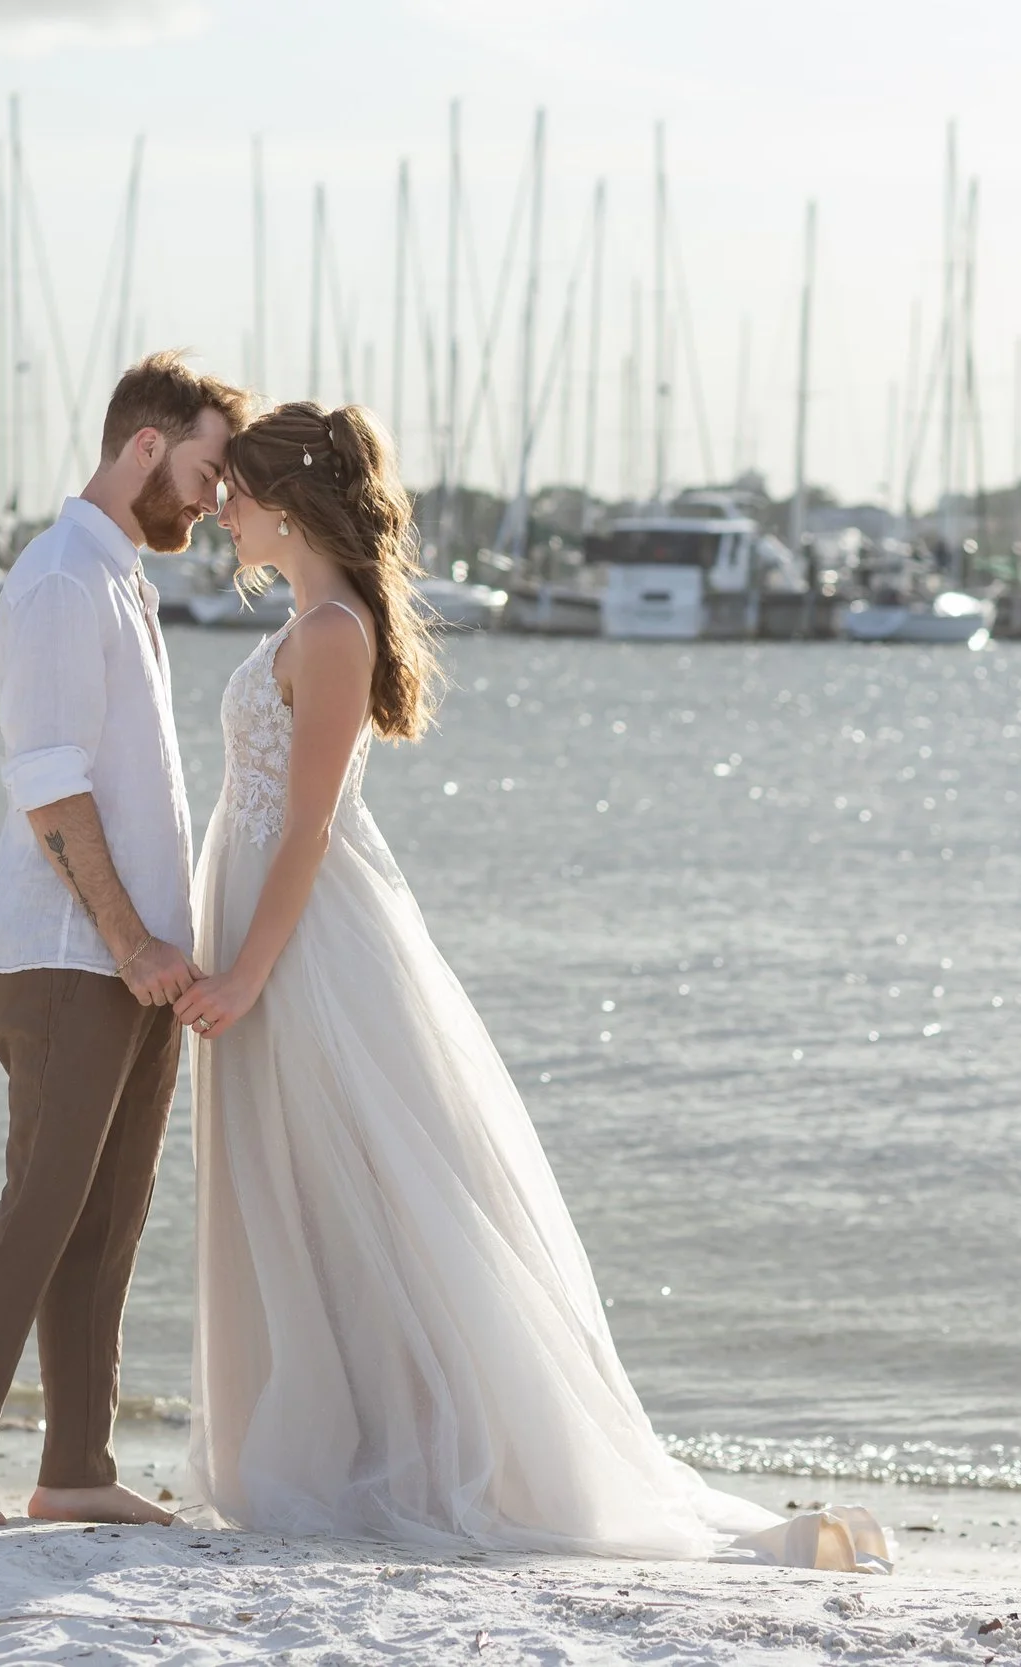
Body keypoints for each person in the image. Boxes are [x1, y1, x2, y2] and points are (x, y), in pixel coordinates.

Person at [172, 400, 887, 1571]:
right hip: (274, 935)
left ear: (288, 505)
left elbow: (305, 826)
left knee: (380, 1190)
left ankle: (420, 1451)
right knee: (308, 1194)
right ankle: (341, 1432)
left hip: (307, 949)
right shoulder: (310, 620)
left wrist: (249, 970)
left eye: (237, 494)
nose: (221, 510)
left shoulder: (336, 629)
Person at [0, 352, 249, 1530]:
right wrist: (132, 939)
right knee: (42, 1205)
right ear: (144, 445)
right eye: (202, 468)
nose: (209, 498)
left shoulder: (121, 583)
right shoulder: (57, 582)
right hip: (66, 955)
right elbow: (50, 789)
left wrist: (158, 947)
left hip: (132, 958)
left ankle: (78, 1470)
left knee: (106, 1217)